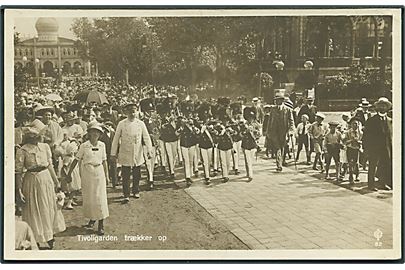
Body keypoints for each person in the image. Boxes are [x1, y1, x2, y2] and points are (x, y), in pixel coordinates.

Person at [15, 122, 65, 249]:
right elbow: (19, 172)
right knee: (33, 209)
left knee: (47, 207)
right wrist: (19, 190)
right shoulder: (23, 150)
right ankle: (35, 237)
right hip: (31, 180)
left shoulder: (45, 147)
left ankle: (49, 236)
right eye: (35, 135)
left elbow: (49, 165)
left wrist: (56, 182)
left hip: (45, 179)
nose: (38, 137)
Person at [68, 122, 109, 235]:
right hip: (87, 173)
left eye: (97, 132)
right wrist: (69, 173)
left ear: (100, 134)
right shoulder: (84, 146)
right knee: (90, 198)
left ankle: (101, 224)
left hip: (99, 172)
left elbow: (104, 161)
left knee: (100, 198)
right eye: (93, 131)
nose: (95, 134)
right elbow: (76, 159)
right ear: (89, 133)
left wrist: (107, 175)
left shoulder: (102, 145)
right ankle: (92, 219)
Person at [111, 103, 152, 203]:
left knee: (137, 173)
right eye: (130, 111)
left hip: (137, 151)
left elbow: (146, 137)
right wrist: (113, 153)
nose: (132, 113)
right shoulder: (122, 124)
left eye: (134, 111)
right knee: (126, 174)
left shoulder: (140, 123)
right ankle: (126, 194)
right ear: (126, 112)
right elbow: (116, 139)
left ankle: (136, 190)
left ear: (137, 111)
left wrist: (149, 151)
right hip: (125, 151)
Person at [363, 97, 393, 191]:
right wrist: (366, 149)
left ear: (387, 107)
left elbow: (390, 136)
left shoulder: (390, 120)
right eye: (381, 105)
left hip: (386, 147)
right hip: (374, 148)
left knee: (385, 165)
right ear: (377, 107)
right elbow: (366, 136)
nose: (382, 107)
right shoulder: (371, 120)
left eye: (384, 105)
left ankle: (382, 183)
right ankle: (371, 185)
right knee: (372, 166)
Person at [264, 92, 295, 172]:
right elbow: (270, 121)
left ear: (282, 101)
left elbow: (291, 121)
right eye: (275, 100)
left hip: (284, 132)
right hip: (274, 133)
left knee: (283, 147)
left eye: (277, 100)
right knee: (277, 148)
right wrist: (267, 132)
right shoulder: (273, 109)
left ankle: (282, 161)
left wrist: (291, 131)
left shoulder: (288, 110)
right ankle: (279, 165)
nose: (276, 102)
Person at [241, 109, 261, 181]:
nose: (250, 119)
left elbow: (259, 134)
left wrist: (254, 131)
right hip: (245, 144)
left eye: (252, 117)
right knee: (247, 160)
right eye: (249, 117)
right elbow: (241, 134)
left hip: (253, 144)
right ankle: (250, 175)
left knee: (250, 160)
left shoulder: (256, 124)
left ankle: (248, 172)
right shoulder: (243, 124)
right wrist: (246, 131)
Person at [344, 118, 363, 183]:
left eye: (356, 124)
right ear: (351, 125)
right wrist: (351, 140)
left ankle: (357, 175)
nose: (355, 125)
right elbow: (345, 141)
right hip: (350, 148)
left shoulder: (360, 133)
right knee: (350, 163)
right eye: (353, 124)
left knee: (356, 163)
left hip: (357, 149)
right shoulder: (348, 132)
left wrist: (358, 141)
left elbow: (363, 141)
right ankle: (351, 176)